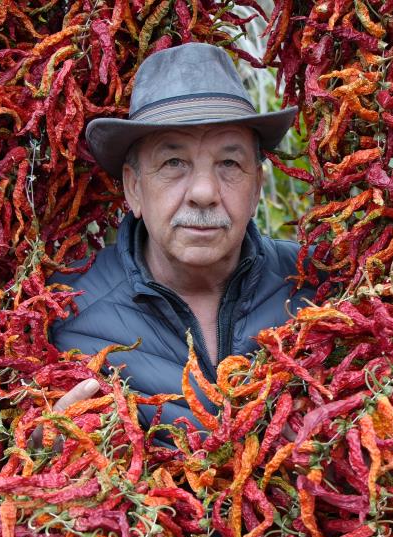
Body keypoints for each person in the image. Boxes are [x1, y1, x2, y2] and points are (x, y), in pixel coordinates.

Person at [48, 42, 313, 435]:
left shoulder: (319, 288)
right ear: (133, 188)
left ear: (257, 186)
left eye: (229, 163)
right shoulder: (65, 314)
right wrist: (39, 457)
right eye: (174, 163)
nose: (204, 192)